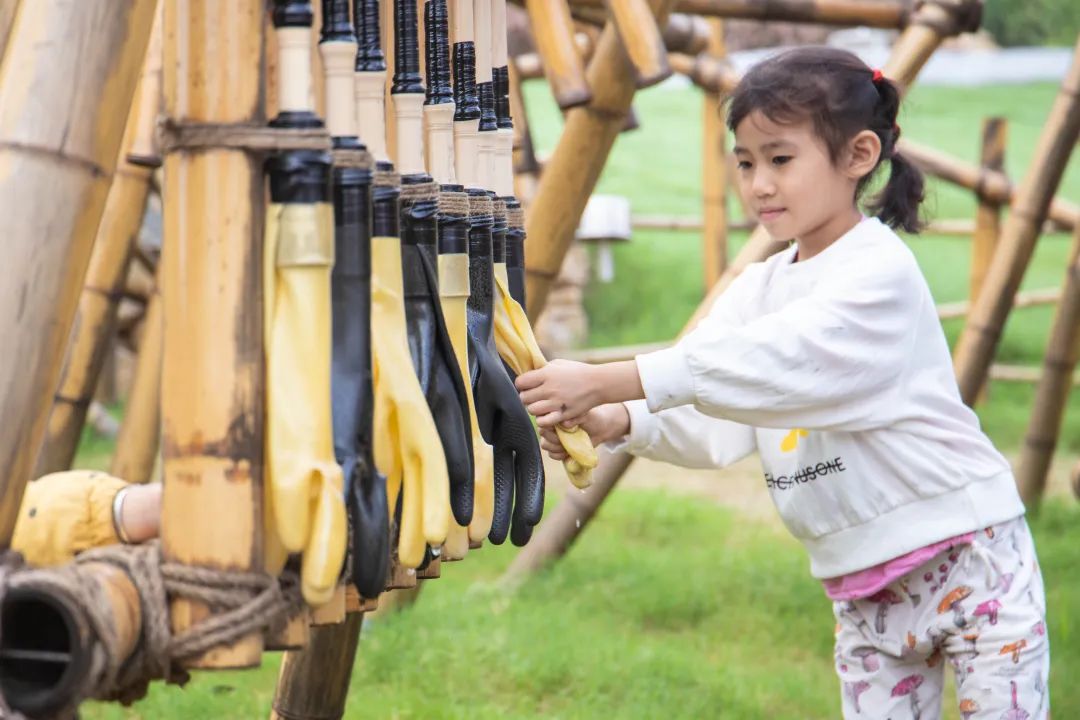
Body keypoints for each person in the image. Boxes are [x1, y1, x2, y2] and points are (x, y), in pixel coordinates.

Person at [515, 47, 1049, 719]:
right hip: (861, 587)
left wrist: (607, 380)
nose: (759, 184)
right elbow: (719, 402)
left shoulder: (876, 273)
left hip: (971, 559)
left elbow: (770, 363)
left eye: (780, 159)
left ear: (858, 155)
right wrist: (620, 419)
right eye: (745, 162)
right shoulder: (760, 287)